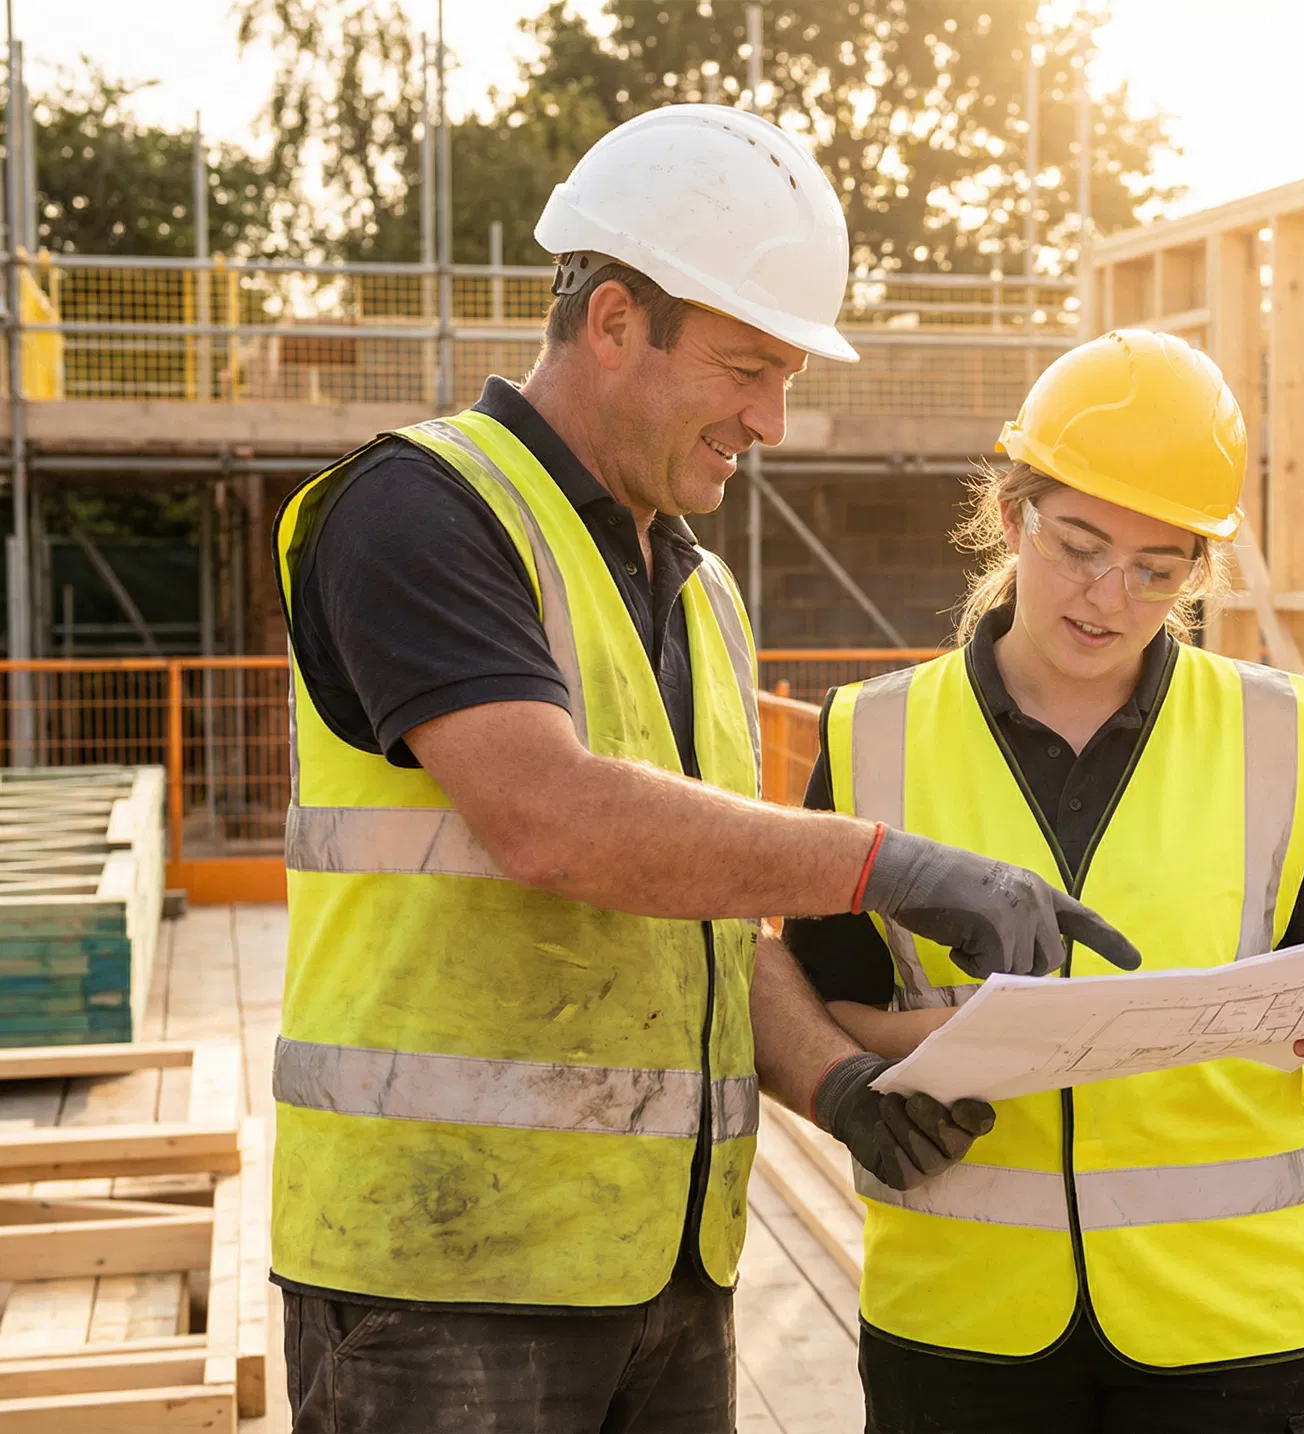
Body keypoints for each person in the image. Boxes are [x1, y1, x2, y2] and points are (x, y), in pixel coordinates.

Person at [268, 105, 1140, 1434]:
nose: (775, 420)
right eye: (746, 368)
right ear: (613, 322)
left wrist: (835, 1086)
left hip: (664, 1267)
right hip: (437, 1277)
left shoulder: (698, 591)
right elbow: (549, 820)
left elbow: (708, 919)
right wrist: (891, 864)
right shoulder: (421, 510)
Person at [785, 329, 1304, 1434]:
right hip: (964, 1321)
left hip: (1235, 1326)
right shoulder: (873, 735)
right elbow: (814, 995)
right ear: (1010, 516)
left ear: (1195, 572)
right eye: (1077, 545)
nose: (1107, 595)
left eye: (1155, 570)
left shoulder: (1274, 730)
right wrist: (918, 1056)